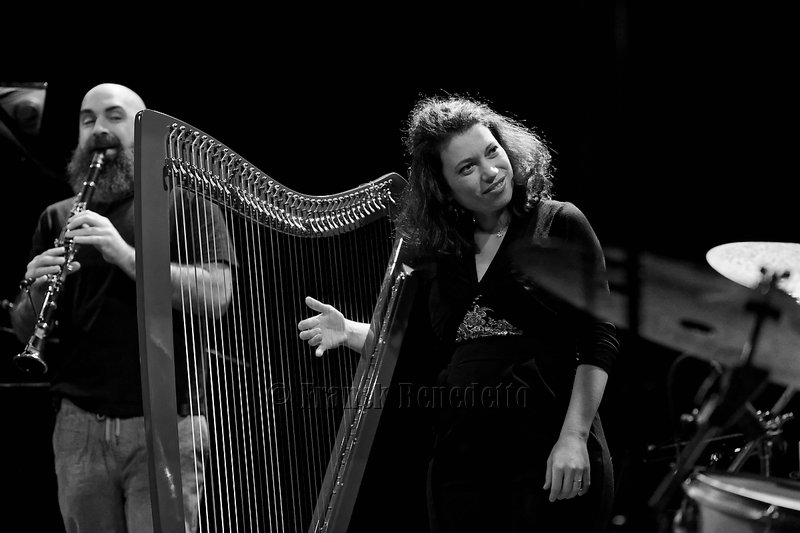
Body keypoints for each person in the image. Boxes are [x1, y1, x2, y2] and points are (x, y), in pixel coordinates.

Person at [298, 95, 620, 532]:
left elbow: (598, 337)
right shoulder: (440, 255)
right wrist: (351, 331)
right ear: (443, 187)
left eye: (492, 152)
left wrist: (575, 437)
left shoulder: (558, 223)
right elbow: (415, 353)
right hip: (462, 462)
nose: (491, 172)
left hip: (549, 452)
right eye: (467, 167)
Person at [9, 83, 235, 533]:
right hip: (78, 429)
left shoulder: (185, 203)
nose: (99, 130)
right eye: (87, 119)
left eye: (114, 117)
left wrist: (126, 255)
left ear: (145, 134)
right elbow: (23, 328)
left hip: (166, 424)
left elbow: (217, 295)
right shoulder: (57, 217)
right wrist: (35, 291)